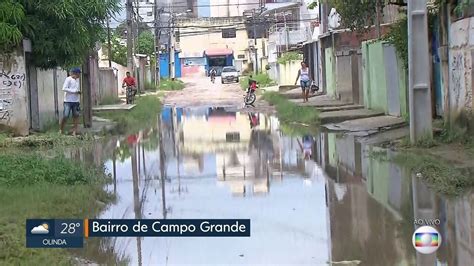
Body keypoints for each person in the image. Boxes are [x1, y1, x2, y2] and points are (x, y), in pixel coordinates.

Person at [60, 68, 81, 136]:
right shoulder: (68, 79)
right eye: (79, 73)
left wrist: (78, 92)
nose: (79, 75)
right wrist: (74, 91)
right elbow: (64, 88)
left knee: (76, 116)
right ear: (76, 73)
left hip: (76, 101)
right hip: (68, 101)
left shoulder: (77, 80)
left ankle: (74, 131)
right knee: (66, 115)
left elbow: (76, 89)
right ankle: (61, 130)